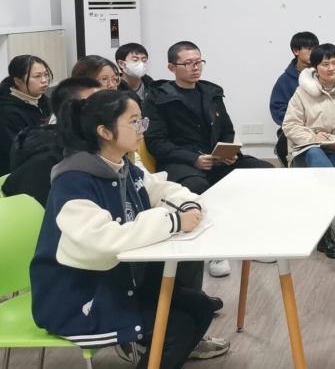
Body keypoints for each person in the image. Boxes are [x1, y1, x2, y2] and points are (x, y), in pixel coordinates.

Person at [30, 90, 224, 368]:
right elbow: (105, 239)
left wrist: (189, 205)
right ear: (104, 131)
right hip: (79, 295)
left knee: (200, 307)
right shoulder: (73, 181)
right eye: (133, 121)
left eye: (141, 120)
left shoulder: (123, 167)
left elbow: (164, 190)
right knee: (176, 328)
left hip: (120, 282)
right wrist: (172, 221)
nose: (142, 128)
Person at [143, 41, 272, 278]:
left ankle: (252, 242)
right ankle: (214, 251)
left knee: (263, 171)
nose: (195, 68)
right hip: (181, 162)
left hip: (216, 158)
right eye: (188, 63)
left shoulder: (212, 93)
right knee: (197, 185)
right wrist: (194, 159)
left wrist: (229, 152)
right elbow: (156, 142)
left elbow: (227, 130)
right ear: (172, 67)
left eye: (199, 62)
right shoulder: (158, 98)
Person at [282, 43, 335, 259]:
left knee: (320, 180)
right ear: (315, 68)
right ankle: (330, 226)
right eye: (325, 64)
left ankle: (328, 225)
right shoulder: (302, 93)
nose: (331, 68)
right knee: (315, 154)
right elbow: (290, 125)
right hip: (306, 152)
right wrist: (312, 138)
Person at [2, 77, 101, 205]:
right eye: (95, 105)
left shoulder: (98, 147)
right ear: (69, 112)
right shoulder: (45, 163)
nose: (107, 112)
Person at [269, 31, 319, 162]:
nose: (313, 52)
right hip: (297, 129)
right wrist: (301, 123)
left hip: (323, 128)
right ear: (296, 51)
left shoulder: (323, 75)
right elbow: (278, 109)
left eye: (315, 48)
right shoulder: (285, 80)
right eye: (309, 49)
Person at [0, 55, 52, 174]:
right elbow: (17, 151)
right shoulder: (6, 112)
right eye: (37, 76)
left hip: (43, 162)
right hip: (17, 172)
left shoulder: (44, 101)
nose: (44, 80)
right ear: (18, 81)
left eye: (45, 74)